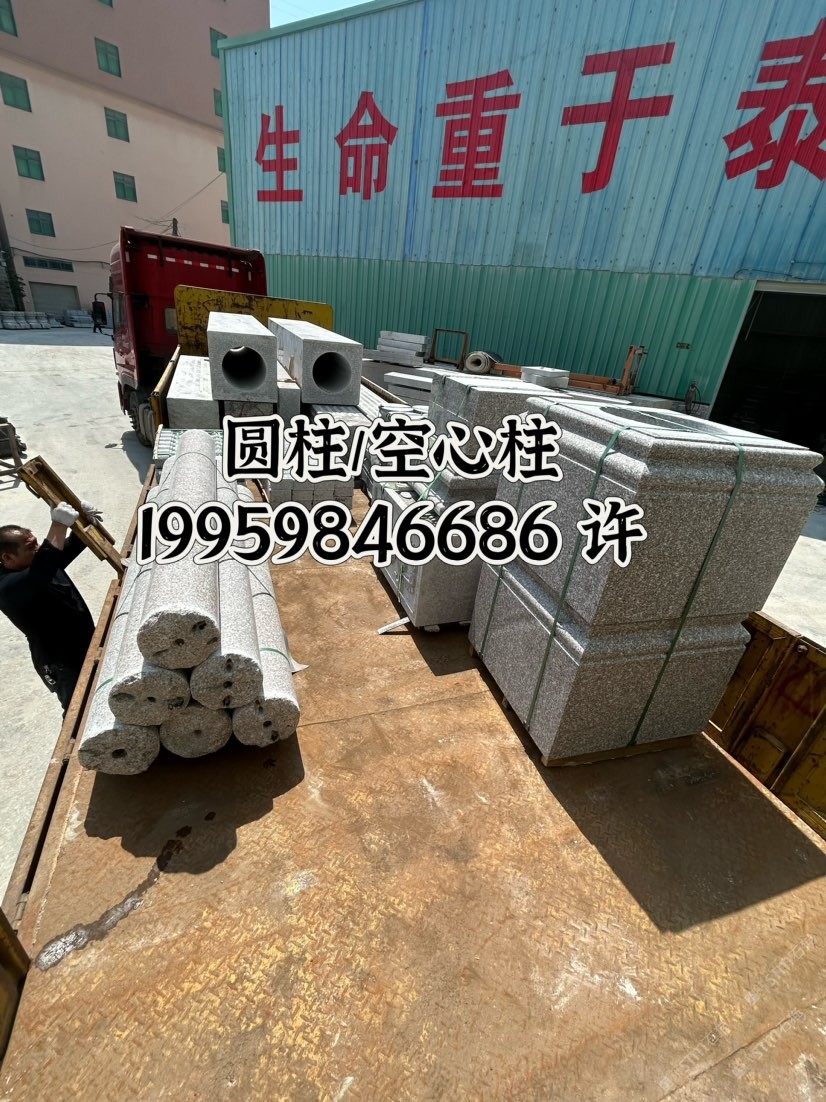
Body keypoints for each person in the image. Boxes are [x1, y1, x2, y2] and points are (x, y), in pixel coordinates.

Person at [0, 500, 102, 715]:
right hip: (63, 665)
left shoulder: (37, 563)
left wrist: (86, 522)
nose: (38, 549)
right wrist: (58, 525)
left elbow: (65, 548)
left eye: (37, 543)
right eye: (30, 547)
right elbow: (44, 564)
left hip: (84, 644)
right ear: (7, 558)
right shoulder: (8, 587)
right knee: (77, 712)